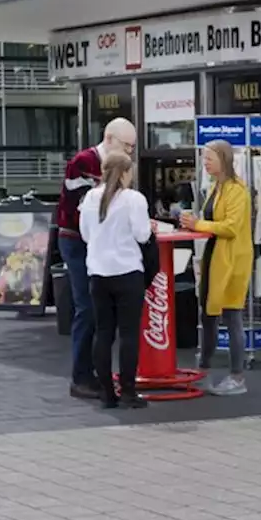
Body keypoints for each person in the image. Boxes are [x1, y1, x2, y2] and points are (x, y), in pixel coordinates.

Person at [57, 117, 137, 400]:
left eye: (132, 147)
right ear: (110, 138)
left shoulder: (114, 168)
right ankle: (81, 376)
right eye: (126, 145)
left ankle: (93, 373)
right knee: (87, 309)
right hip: (76, 242)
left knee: (99, 311)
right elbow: (82, 208)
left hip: (95, 244)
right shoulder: (83, 162)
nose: (129, 152)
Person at [77, 152, 154, 410]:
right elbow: (143, 235)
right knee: (129, 334)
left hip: (98, 273)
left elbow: (86, 235)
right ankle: (129, 392)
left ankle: (107, 393)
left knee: (103, 332)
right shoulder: (134, 199)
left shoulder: (89, 198)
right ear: (124, 173)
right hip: (127, 272)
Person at [179, 139, 252, 396]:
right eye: (205, 158)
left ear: (224, 160)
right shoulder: (216, 187)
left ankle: (237, 377)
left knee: (231, 316)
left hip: (232, 261)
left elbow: (231, 227)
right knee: (208, 315)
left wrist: (197, 224)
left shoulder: (236, 191)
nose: (205, 163)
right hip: (215, 257)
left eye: (210, 158)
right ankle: (204, 371)